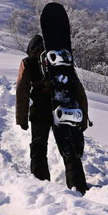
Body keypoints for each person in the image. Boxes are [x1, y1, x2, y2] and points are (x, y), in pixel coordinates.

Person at [15, 34, 90, 194]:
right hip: (63, 108)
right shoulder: (60, 61)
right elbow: (78, 90)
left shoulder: (28, 62)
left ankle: (41, 186)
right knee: (69, 148)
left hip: (40, 111)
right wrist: (83, 117)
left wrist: (21, 118)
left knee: (38, 147)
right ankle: (78, 187)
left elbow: (22, 90)